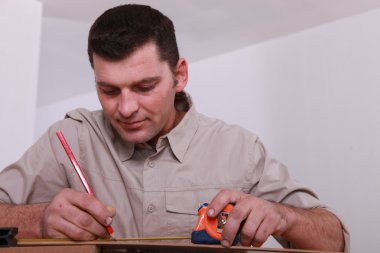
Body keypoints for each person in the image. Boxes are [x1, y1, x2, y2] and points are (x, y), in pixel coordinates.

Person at [0, 4, 348, 251]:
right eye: (108, 90)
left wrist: (282, 216)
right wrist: (38, 218)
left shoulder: (240, 148)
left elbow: (336, 241)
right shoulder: (70, 139)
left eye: (144, 87)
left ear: (179, 75)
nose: (125, 108)